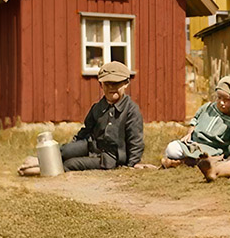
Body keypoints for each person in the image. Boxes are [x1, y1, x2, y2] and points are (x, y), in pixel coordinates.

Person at [17, 61, 145, 175]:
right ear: (101, 85)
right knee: (65, 151)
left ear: (126, 83)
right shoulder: (98, 107)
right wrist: (75, 145)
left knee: (71, 164)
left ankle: (41, 169)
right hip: (92, 145)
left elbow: (136, 140)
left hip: (109, 157)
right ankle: (40, 160)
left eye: (116, 84)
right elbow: (86, 130)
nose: (111, 88)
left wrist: (133, 164)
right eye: (107, 84)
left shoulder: (131, 111)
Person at [161, 76, 230, 168]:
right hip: (194, 143)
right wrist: (189, 133)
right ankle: (185, 160)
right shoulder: (207, 107)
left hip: (212, 149)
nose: (221, 102)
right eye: (219, 98)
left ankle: (181, 162)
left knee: (212, 159)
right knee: (171, 149)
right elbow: (195, 120)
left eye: (226, 100)